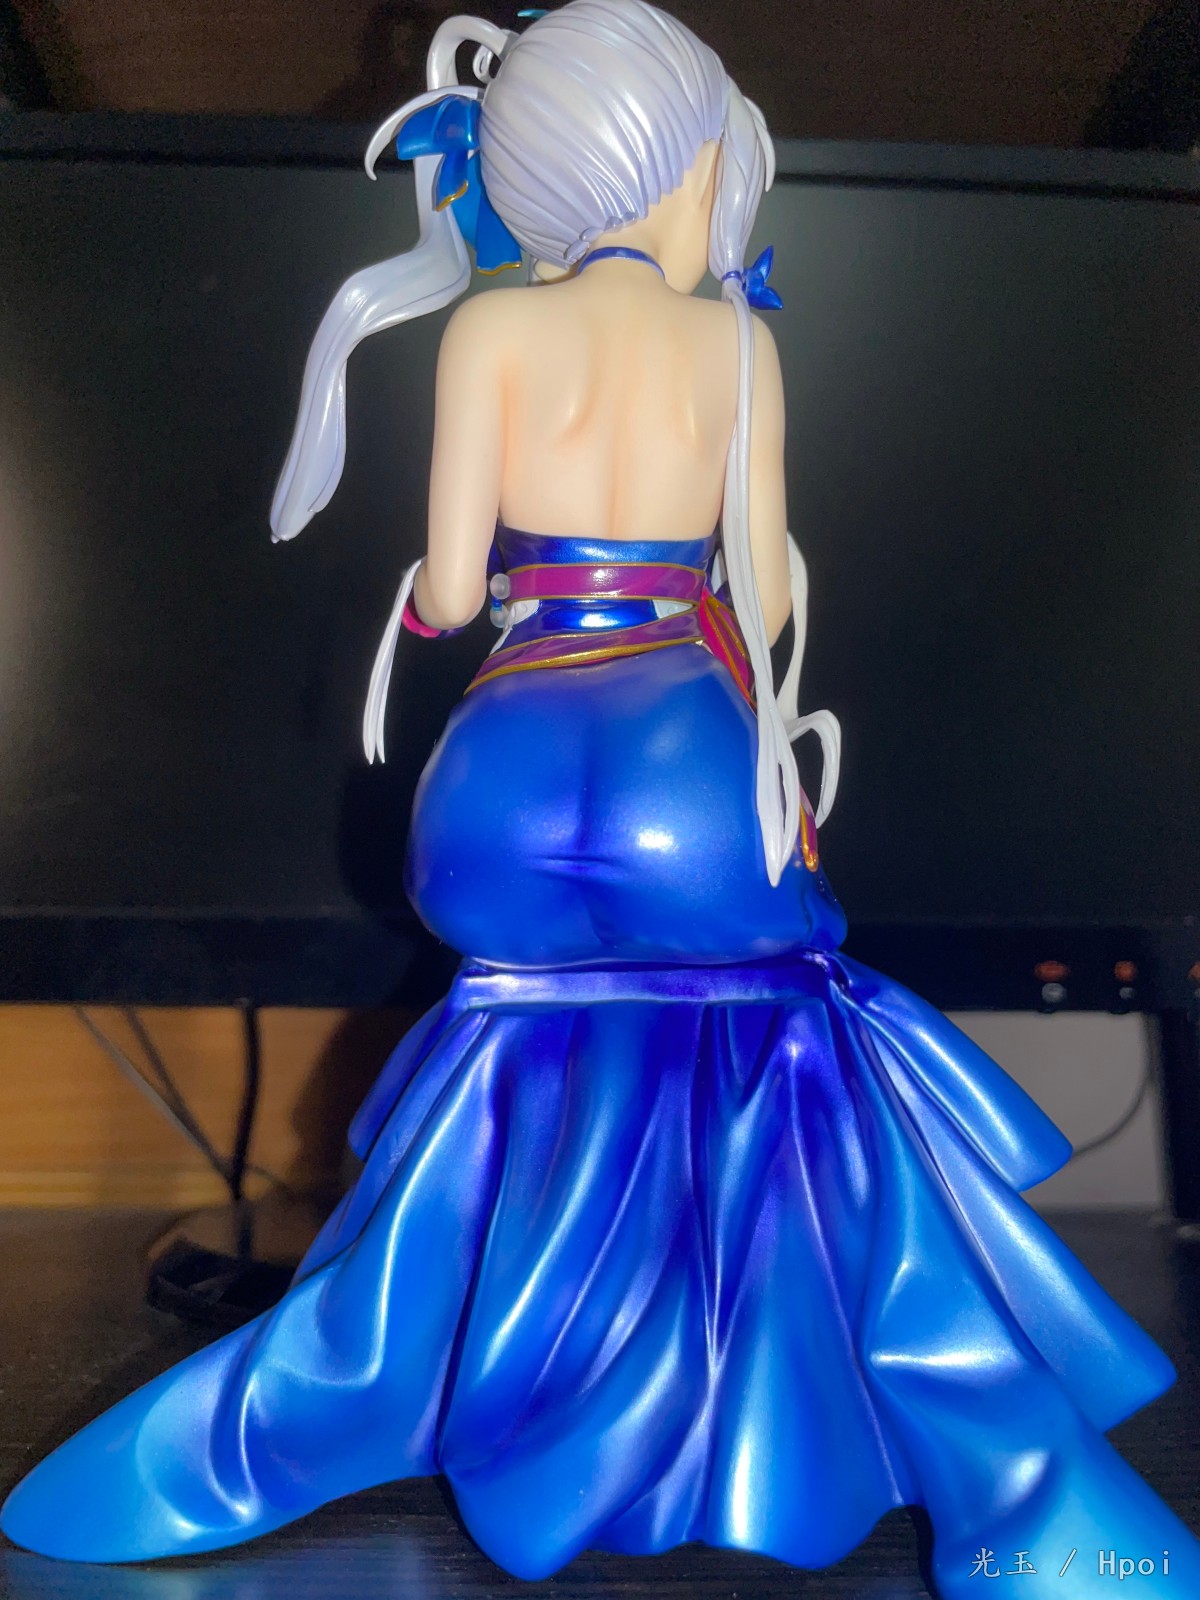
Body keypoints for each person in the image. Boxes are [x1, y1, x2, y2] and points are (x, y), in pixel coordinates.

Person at [3, 4, 1199, 1595]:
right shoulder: (736, 344)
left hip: (498, 779)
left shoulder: (487, 333)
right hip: (680, 760)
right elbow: (767, 587)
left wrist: (482, 607)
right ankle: (996, 1480)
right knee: (783, 1042)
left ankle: (395, 1401)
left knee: (522, 1040)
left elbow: (447, 585)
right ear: (679, 160)